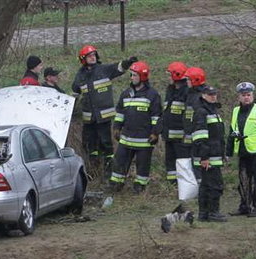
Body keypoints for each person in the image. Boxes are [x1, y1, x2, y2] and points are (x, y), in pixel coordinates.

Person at [72, 44, 137, 177]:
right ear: (83, 59)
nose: (93, 57)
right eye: (89, 56)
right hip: (89, 119)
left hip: (103, 118)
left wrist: (128, 62)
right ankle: (93, 170)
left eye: (94, 55)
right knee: (90, 145)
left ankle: (109, 171)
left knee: (106, 144)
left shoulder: (104, 70)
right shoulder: (80, 75)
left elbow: (118, 67)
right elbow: (75, 89)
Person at [109, 61, 162, 194]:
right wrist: (116, 128)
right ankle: (116, 185)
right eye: (131, 75)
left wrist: (155, 133)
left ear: (142, 77)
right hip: (126, 138)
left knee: (142, 166)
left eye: (134, 75)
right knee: (119, 162)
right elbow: (120, 113)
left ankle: (139, 187)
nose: (132, 78)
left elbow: (157, 117)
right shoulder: (126, 94)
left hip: (144, 140)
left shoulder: (152, 95)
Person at [227, 82, 256, 217]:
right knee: (243, 181)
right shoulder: (236, 111)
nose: (246, 97)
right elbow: (232, 131)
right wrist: (228, 152)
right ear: (239, 97)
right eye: (243, 95)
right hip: (243, 151)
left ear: (252, 96)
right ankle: (245, 206)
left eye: (248, 95)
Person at [191, 85, 228, 222]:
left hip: (212, 155)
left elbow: (217, 136)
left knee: (206, 186)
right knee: (215, 185)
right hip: (208, 157)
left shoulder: (212, 111)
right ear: (203, 95)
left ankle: (204, 214)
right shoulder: (202, 112)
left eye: (214, 94)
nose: (213, 96)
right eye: (210, 94)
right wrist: (204, 157)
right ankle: (213, 212)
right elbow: (200, 136)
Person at [162, 61, 190, 193]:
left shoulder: (186, 92)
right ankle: (172, 186)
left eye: (169, 75)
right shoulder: (171, 90)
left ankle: (186, 188)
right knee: (170, 163)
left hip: (181, 138)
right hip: (169, 136)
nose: (168, 78)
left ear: (176, 75)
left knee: (183, 163)